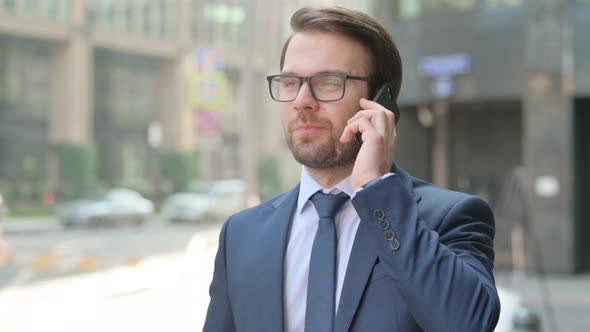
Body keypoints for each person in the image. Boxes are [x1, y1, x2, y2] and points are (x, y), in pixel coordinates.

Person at [204, 5, 500, 332]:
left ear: (381, 101)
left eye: (329, 82)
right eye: (290, 82)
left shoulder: (451, 217)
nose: (302, 100)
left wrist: (377, 190)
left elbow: (470, 325)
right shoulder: (241, 234)